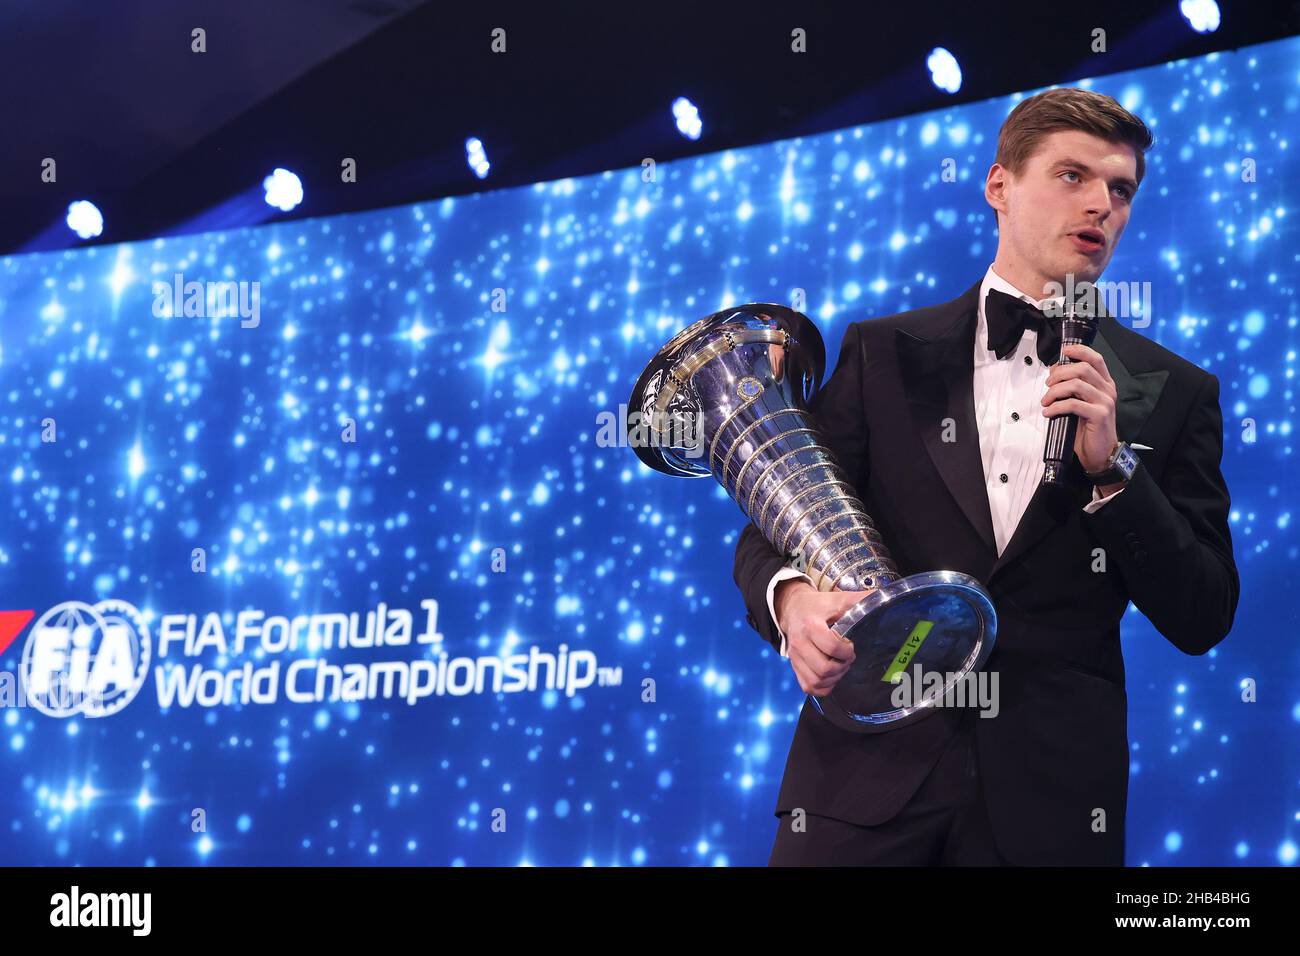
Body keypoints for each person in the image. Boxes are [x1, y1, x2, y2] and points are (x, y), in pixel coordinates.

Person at [733, 87, 1240, 866]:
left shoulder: (1170, 389)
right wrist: (792, 601)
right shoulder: (881, 352)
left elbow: (1204, 611)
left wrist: (1115, 472)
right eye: (1073, 176)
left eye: (1121, 189)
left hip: (1052, 806)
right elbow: (773, 523)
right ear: (998, 186)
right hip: (863, 791)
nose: (1101, 205)